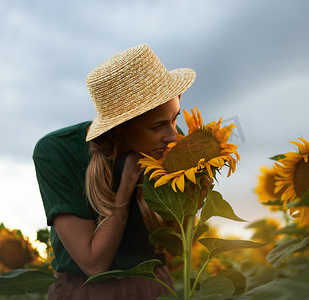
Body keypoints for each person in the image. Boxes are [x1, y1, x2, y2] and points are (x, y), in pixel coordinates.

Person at [33, 44, 196, 299]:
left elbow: (176, 246)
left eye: (175, 119)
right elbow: (94, 265)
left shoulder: (166, 148)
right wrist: (126, 186)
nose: (173, 136)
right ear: (120, 127)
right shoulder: (57, 152)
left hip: (154, 288)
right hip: (87, 291)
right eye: (158, 126)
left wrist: (195, 194)